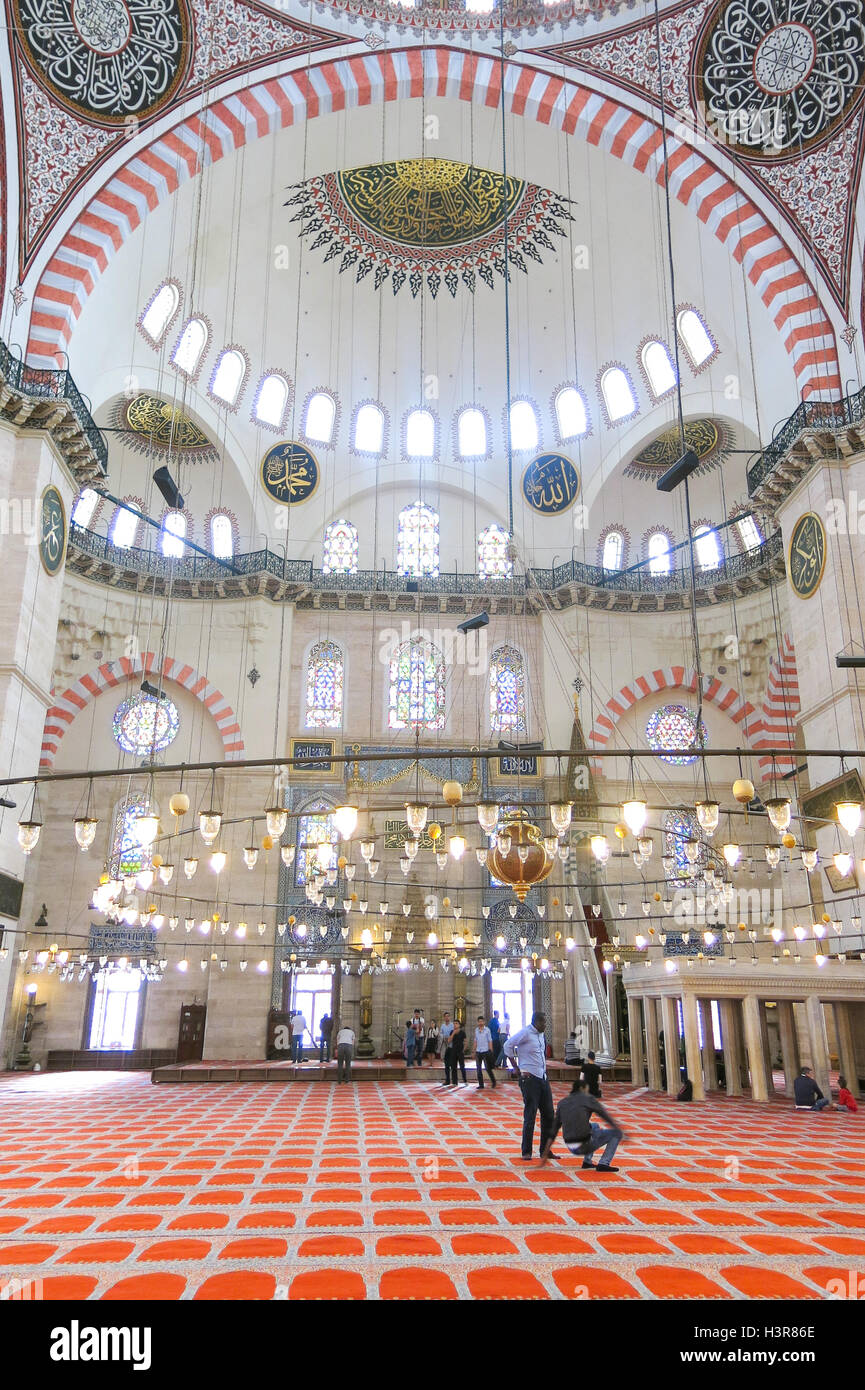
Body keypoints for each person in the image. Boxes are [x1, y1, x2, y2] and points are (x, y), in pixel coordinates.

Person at [503, 1011, 559, 1160]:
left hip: (543, 1077)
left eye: (546, 1023)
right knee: (531, 1115)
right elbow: (507, 1046)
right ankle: (526, 1151)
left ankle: (545, 1150)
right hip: (530, 1079)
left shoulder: (541, 1035)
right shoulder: (525, 1033)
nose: (545, 1025)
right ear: (535, 1022)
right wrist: (515, 1067)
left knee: (548, 1115)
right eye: (543, 1023)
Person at [540, 1078, 625, 1173]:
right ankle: (604, 1164)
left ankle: (587, 1162)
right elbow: (605, 1116)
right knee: (616, 1133)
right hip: (583, 1145)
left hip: (570, 1145)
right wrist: (620, 1130)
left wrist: (545, 1153)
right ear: (582, 1088)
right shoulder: (588, 1099)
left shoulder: (562, 1102)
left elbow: (554, 1130)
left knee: (595, 1126)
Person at [474, 1015, 497, 1090]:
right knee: (478, 1069)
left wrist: (491, 1050)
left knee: (487, 1068)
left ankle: (493, 1081)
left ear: (484, 1022)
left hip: (485, 1051)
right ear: (477, 1022)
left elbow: (490, 1040)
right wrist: (473, 1051)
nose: (480, 1023)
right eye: (479, 1021)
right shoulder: (476, 1030)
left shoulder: (487, 1030)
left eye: (482, 1021)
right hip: (478, 1051)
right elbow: (475, 1041)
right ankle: (481, 1084)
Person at [450, 1017, 467, 1086]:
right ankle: (454, 1082)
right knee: (453, 1067)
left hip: (460, 1051)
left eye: (456, 1023)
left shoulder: (462, 1032)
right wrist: (453, 1033)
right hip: (453, 1051)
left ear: (459, 1025)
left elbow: (465, 1042)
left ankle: (465, 1080)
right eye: (454, 1024)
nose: (455, 1025)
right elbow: (449, 1041)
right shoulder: (452, 1031)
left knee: (462, 1066)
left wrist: (463, 1050)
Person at [438, 1012, 455, 1086]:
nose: (447, 1018)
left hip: (452, 1046)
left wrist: (450, 1038)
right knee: (446, 1064)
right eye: (445, 1016)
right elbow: (440, 1033)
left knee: (453, 1064)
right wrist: (443, 1037)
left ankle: (454, 1080)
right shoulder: (442, 1026)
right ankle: (447, 1080)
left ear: (449, 1017)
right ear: (444, 1017)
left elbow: (455, 1033)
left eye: (448, 1016)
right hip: (445, 1046)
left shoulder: (452, 1025)